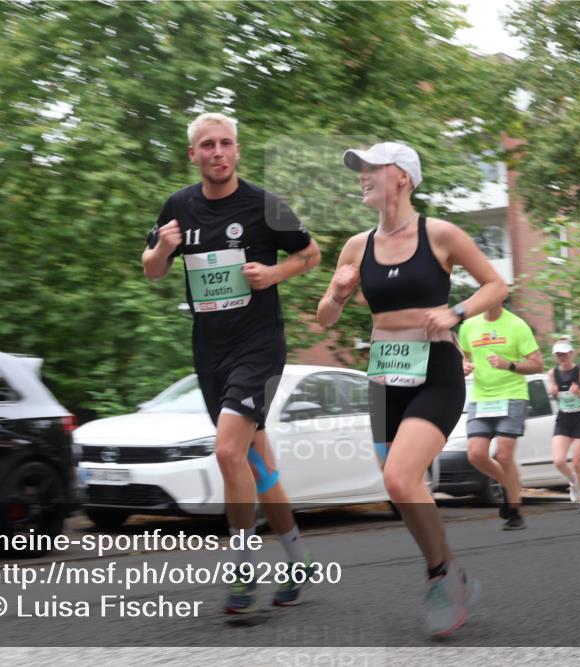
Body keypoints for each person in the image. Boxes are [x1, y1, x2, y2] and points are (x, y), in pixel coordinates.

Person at [317, 141, 508, 637]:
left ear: (401, 176)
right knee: (399, 487)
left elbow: (495, 286)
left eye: (370, 168)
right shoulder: (357, 246)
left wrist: (456, 312)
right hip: (384, 375)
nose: (361, 176)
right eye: (359, 169)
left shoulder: (439, 234)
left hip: (435, 372)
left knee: (401, 479)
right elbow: (325, 317)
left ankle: (440, 577)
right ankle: (454, 573)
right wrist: (337, 293)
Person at [142, 112, 322, 612]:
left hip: (260, 346)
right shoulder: (178, 207)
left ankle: (242, 568)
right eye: (207, 145)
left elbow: (312, 254)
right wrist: (163, 248)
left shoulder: (263, 204)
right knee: (259, 465)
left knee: (227, 453)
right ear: (193, 155)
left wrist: (274, 272)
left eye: (225, 144)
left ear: (237, 151)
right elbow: (152, 271)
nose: (217, 152)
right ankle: (299, 559)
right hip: (210, 350)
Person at [460, 305, 544, 530]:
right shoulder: (468, 326)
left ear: (500, 297)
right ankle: (511, 488)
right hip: (481, 398)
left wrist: (510, 365)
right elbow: (466, 359)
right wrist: (465, 367)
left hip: (512, 396)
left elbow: (538, 364)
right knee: (476, 454)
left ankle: (515, 511)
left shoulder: (516, 325)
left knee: (504, 455)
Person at [548, 338, 580, 512]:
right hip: (563, 419)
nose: (562, 357)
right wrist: (553, 394)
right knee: (559, 461)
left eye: (565, 353)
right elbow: (555, 396)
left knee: (577, 463)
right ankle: (574, 481)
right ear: (555, 356)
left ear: (572, 353)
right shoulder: (552, 373)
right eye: (559, 354)